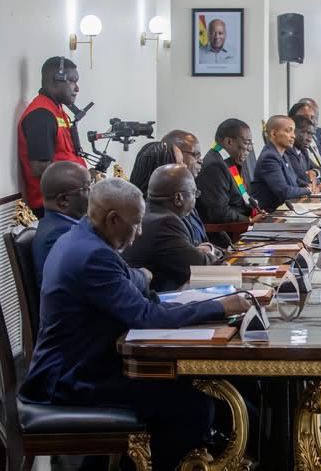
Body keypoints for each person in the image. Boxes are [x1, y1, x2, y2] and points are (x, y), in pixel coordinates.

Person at [19, 178, 250, 470]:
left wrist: (140, 277)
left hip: (85, 363)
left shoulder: (83, 237)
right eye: (136, 223)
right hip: (72, 378)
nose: (140, 231)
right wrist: (219, 306)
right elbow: (146, 316)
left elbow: (134, 279)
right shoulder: (93, 256)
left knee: (193, 391)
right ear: (113, 219)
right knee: (194, 407)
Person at [123, 164, 219, 292]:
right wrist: (210, 251)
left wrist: (194, 252)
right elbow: (203, 270)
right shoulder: (165, 223)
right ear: (178, 198)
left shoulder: (147, 212)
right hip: (156, 298)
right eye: (194, 193)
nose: (195, 198)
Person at [17, 56, 87, 216]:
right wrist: (81, 178)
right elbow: (41, 169)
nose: (77, 88)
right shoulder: (41, 115)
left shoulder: (57, 111)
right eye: (72, 81)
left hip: (68, 201)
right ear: (56, 79)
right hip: (55, 207)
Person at [32, 161, 90, 285]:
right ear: (63, 200)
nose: (92, 193)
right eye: (86, 188)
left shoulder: (58, 223)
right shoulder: (59, 235)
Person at [196, 118, 259, 226]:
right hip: (227, 232)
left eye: (251, 144)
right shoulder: (214, 166)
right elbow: (220, 213)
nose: (250, 149)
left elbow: (238, 201)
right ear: (229, 142)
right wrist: (249, 221)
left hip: (240, 224)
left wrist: (255, 211)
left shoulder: (229, 161)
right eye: (246, 143)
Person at [251, 115, 316, 212]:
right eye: (288, 131)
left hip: (286, 209)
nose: (293, 136)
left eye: (293, 131)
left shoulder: (283, 155)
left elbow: (294, 180)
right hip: (271, 214)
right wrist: (307, 190)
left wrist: (307, 185)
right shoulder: (269, 157)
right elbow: (284, 192)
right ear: (274, 134)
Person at [161, 130, 208, 245]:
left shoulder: (187, 194)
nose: (201, 161)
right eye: (196, 155)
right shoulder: (166, 204)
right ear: (175, 155)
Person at [287, 115, 321, 187]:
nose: (309, 139)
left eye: (311, 135)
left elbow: (320, 170)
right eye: (306, 133)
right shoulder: (287, 152)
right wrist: (315, 180)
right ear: (293, 132)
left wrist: (314, 172)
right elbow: (302, 179)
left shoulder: (303, 151)